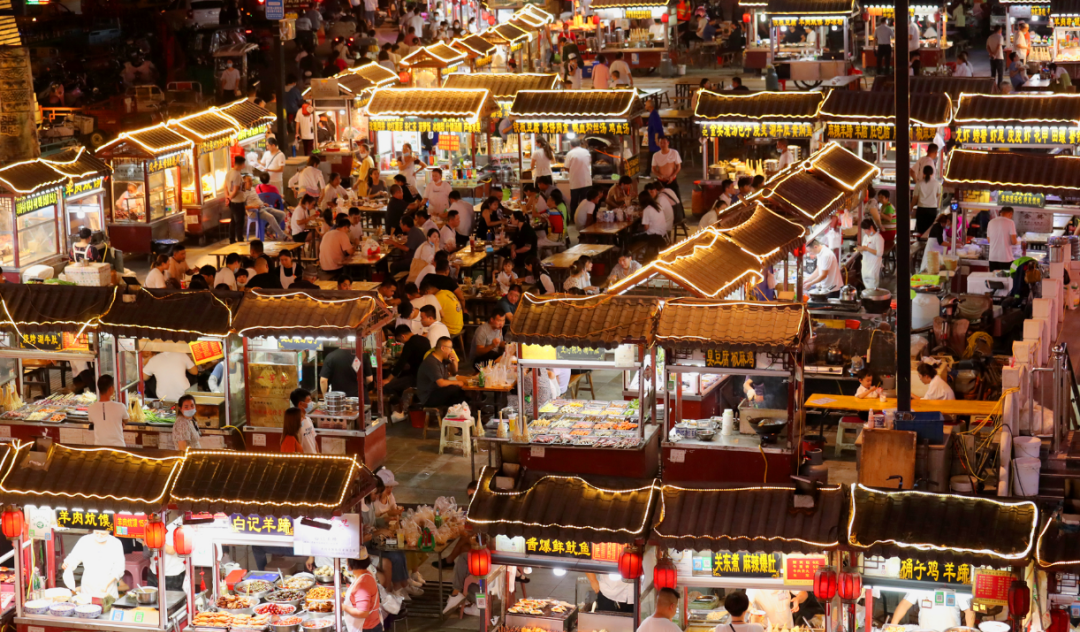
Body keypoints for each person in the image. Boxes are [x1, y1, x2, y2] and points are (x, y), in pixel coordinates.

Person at [383, 325, 430, 419]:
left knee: (388, 387)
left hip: (416, 377)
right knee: (399, 380)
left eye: (400, 341)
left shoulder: (409, 344)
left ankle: (398, 412)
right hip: (426, 375)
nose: (401, 343)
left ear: (402, 336)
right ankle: (402, 408)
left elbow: (400, 364)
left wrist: (388, 379)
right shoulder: (424, 339)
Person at [416, 336, 466, 406]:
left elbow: (454, 373)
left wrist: (454, 362)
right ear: (443, 348)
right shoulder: (431, 362)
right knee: (454, 389)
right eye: (450, 348)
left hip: (438, 391)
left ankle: (462, 410)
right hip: (428, 396)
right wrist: (457, 382)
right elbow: (441, 383)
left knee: (460, 394)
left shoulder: (443, 360)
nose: (451, 351)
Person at [892, 589, 972, 631]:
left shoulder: (955, 582)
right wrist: (892, 626)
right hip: (926, 630)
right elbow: (904, 604)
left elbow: (969, 611)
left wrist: (969, 630)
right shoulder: (922, 581)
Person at [343, 553, 383, 632]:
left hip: (367, 628)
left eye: (347, 561)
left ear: (350, 565)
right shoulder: (365, 575)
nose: (346, 564)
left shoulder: (363, 584)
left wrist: (343, 607)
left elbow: (363, 613)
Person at [90, 374, 129, 447]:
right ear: (111, 389)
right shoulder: (120, 407)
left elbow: (92, 420)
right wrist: (119, 421)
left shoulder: (91, 408)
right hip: (118, 447)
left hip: (99, 448)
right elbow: (126, 420)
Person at [565, 138, 593, 216]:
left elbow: (566, 168)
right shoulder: (586, 152)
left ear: (571, 145)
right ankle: (584, 217)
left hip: (575, 182)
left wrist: (574, 172)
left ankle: (574, 218)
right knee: (585, 201)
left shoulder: (570, 153)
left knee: (574, 201)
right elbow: (589, 163)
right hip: (586, 181)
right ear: (580, 144)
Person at [855, 218, 884, 291]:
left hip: (874, 265)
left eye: (865, 229)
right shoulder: (865, 237)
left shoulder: (878, 238)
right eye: (863, 230)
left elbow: (880, 253)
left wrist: (866, 248)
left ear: (871, 227)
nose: (864, 231)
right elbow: (863, 251)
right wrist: (861, 249)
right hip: (865, 264)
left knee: (873, 286)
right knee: (866, 285)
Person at [652, 134, 682, 201]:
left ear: (668, 143)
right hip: (661, 181)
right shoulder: (656, 155)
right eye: (661, 143)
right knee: (661, 199)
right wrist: (660, 175)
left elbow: (678, 166)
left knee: (676, 199)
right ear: (658, 144)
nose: (662, 144)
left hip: (672, 179)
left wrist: (672, 176)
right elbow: (653, 169)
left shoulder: (674, 152)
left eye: (664, 143)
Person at [912, 164, 941, 235]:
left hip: (921, 209)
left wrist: (910, 207)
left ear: (923, 173)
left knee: (921, 231)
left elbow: (915, 198)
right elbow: (938, 195)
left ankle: (920, 245)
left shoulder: (919, 183)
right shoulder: (937, 184)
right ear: (932, 173)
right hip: (932, 209)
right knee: (930, 231)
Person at [987, 206, 1019, 271]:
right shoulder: (1010, 222)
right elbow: (1014, 242)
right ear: (1010, 214)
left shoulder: (991, 222)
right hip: (1006, 258)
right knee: (1006, 280)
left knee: (994, 279)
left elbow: (989, 240)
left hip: (992, 258)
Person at [289, 388, 319, 453]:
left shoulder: (308, 419)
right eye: (309, 400)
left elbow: (314, 440)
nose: (311, 403)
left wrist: (318, 454)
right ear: (300, 404)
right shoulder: (294, 424)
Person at [226, 155, 247, 244]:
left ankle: (232, 239)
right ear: (241, 164)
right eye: (243, 164)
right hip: (238, 202)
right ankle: (240, 239)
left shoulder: (229, 172)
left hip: (232, 202)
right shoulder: (237, 175)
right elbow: (235, 189)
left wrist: (227, 198)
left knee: (233, 221)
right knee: (239, 222)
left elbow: (225, 187)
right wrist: (230, 197)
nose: (244, 166)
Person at [640, 190, 669, 255]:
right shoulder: (658, 206)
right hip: (662, 233)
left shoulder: (646, 210)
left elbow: (646, 228)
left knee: (634, 237)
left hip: (654, 235)